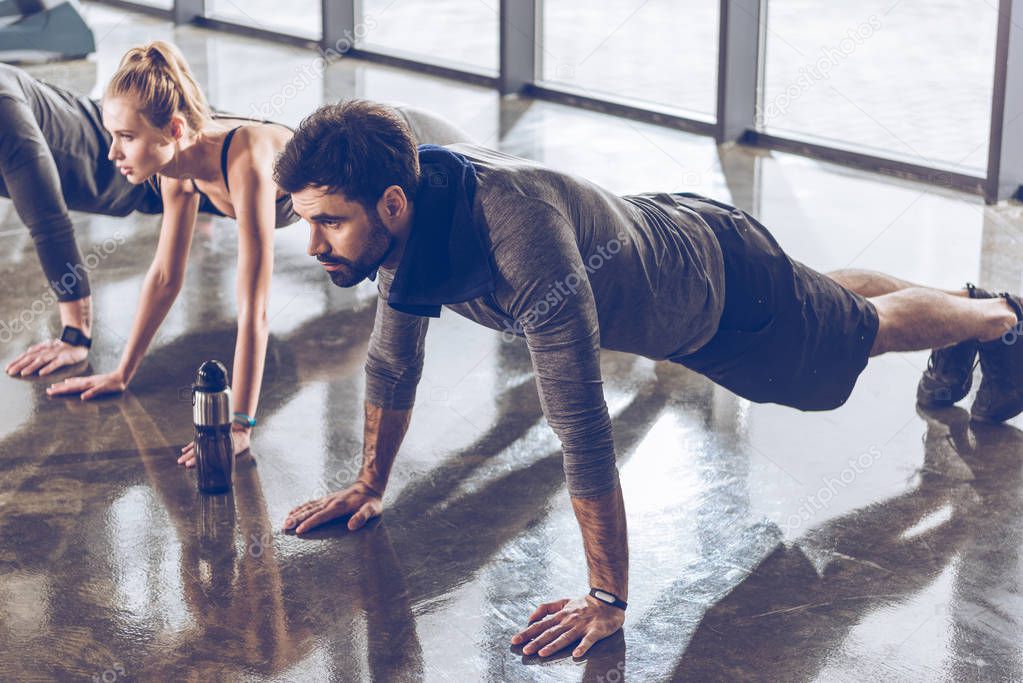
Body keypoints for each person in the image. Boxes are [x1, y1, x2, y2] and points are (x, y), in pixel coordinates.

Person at [272, 99, 1023, 658]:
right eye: (306, 220)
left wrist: (606, 595)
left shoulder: (520, 236)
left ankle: (1000, 320)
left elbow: (580, 424)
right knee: (825, 300)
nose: (313, 243)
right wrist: (370, 482)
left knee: (859, 336)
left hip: (724, 299)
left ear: (391, 205)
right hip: (690, 251)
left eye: (327, 222)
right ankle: (962, 311)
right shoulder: (397, 219)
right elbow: (393, 359)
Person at [39, 43, 470, 469]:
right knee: (354, 328)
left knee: (445, 242)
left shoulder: (246, 162)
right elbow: (165, 278)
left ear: (173, 130)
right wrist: (121, 373)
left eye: (126, 138)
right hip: (371, 145)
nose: (112, 152)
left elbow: (255, 310)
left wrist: (240, 423)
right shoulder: (178, 170)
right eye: (112, 136)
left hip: (414, 138)